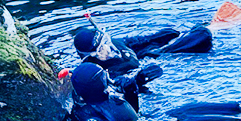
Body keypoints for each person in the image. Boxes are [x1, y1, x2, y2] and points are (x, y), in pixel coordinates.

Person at [67, 62, 241, 121]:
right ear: (95, 85)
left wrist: (134, 87)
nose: (108, 77)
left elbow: (132, 111)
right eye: (103, 76)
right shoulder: (86, 114)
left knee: (184, 109)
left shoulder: (109, 91)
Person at [72, 18, 211, 77]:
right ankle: (205, 31)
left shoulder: (115, 44)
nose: (107, 50)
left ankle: (204, 28)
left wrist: (162, 36)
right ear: (91, 56)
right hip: (158, 59)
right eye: (100, 50)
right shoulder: (102, 73)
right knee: (202, 35)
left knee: (170, 32)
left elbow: (137, 41)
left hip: (142, 54)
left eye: (105, 42)